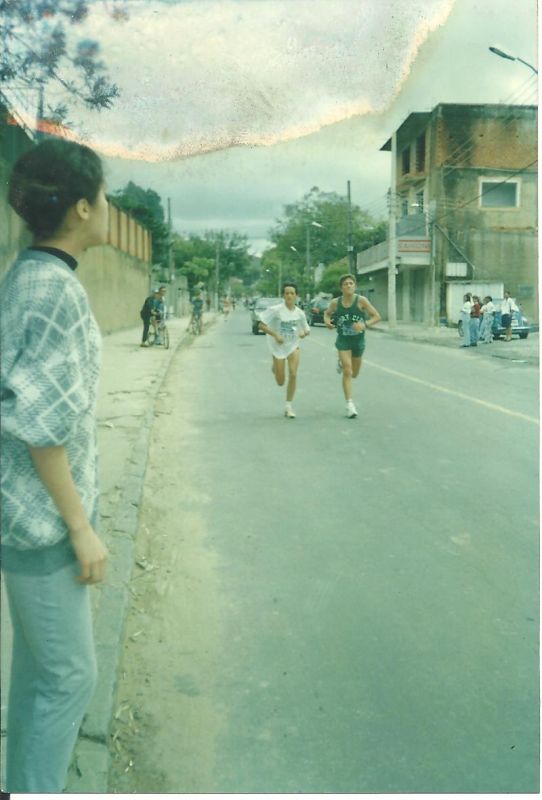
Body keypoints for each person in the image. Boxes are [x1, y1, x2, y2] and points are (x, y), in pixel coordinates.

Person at [1, 138, 109, 792]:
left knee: (40, 673)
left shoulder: (27, 275)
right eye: (103, 195)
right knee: (70, 677)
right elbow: (43, 430)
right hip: (41, 521)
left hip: (22, 512)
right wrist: (81, 528)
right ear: (80, 208)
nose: (107, 206)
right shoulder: (54, 291)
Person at [323, 274, 381, 418]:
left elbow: (376, 316)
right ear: (341, 288)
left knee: (354, 373)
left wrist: (364, 324)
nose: (349, 286)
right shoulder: (335, 303)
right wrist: (327, 322)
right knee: (347, 371)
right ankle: (349, 405)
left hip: (358, 341)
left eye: (351, 283)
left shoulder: (361, 301)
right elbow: (327, 314)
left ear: (355, 286)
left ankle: (341, 363)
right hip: (343, 341)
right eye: (345, 284)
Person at [258, 281, 310, 418]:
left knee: (293, 373)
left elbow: (307, 329)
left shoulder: (300, 313)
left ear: (296, 296)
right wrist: (275, 335)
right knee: (280, 382)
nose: (289, 296)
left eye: (292, 293)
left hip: (293, 345)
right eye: (287, 293)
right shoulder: (275, 310)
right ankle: (275, 366)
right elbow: (261, 325)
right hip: (278, 347)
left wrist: (303, 333)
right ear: (283, 295)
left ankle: (288, 406)